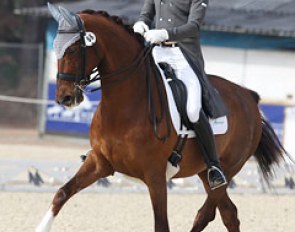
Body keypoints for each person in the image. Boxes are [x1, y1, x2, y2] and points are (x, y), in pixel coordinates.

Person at [133, 0, 227, 190]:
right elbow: (146, 14)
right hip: (156, 52)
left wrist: (166, 33)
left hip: (183, 56)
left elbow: (194, 26)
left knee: (192, 110)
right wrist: (141, 23)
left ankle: (214, 166)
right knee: (131, 86)